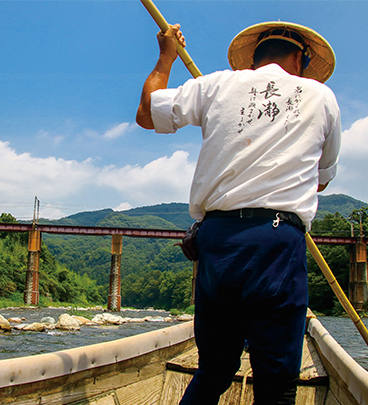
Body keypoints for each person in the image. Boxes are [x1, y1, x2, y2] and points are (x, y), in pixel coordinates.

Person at [136, 21, 341, 405]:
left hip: (218, 241)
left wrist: (166, 57)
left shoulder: (216, 85)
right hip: (277, 242)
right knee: (277, 384)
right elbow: (321, 181)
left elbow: (147, 113)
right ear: (300, 58)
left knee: (213, 370)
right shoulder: (321, 96)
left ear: (255, 57)